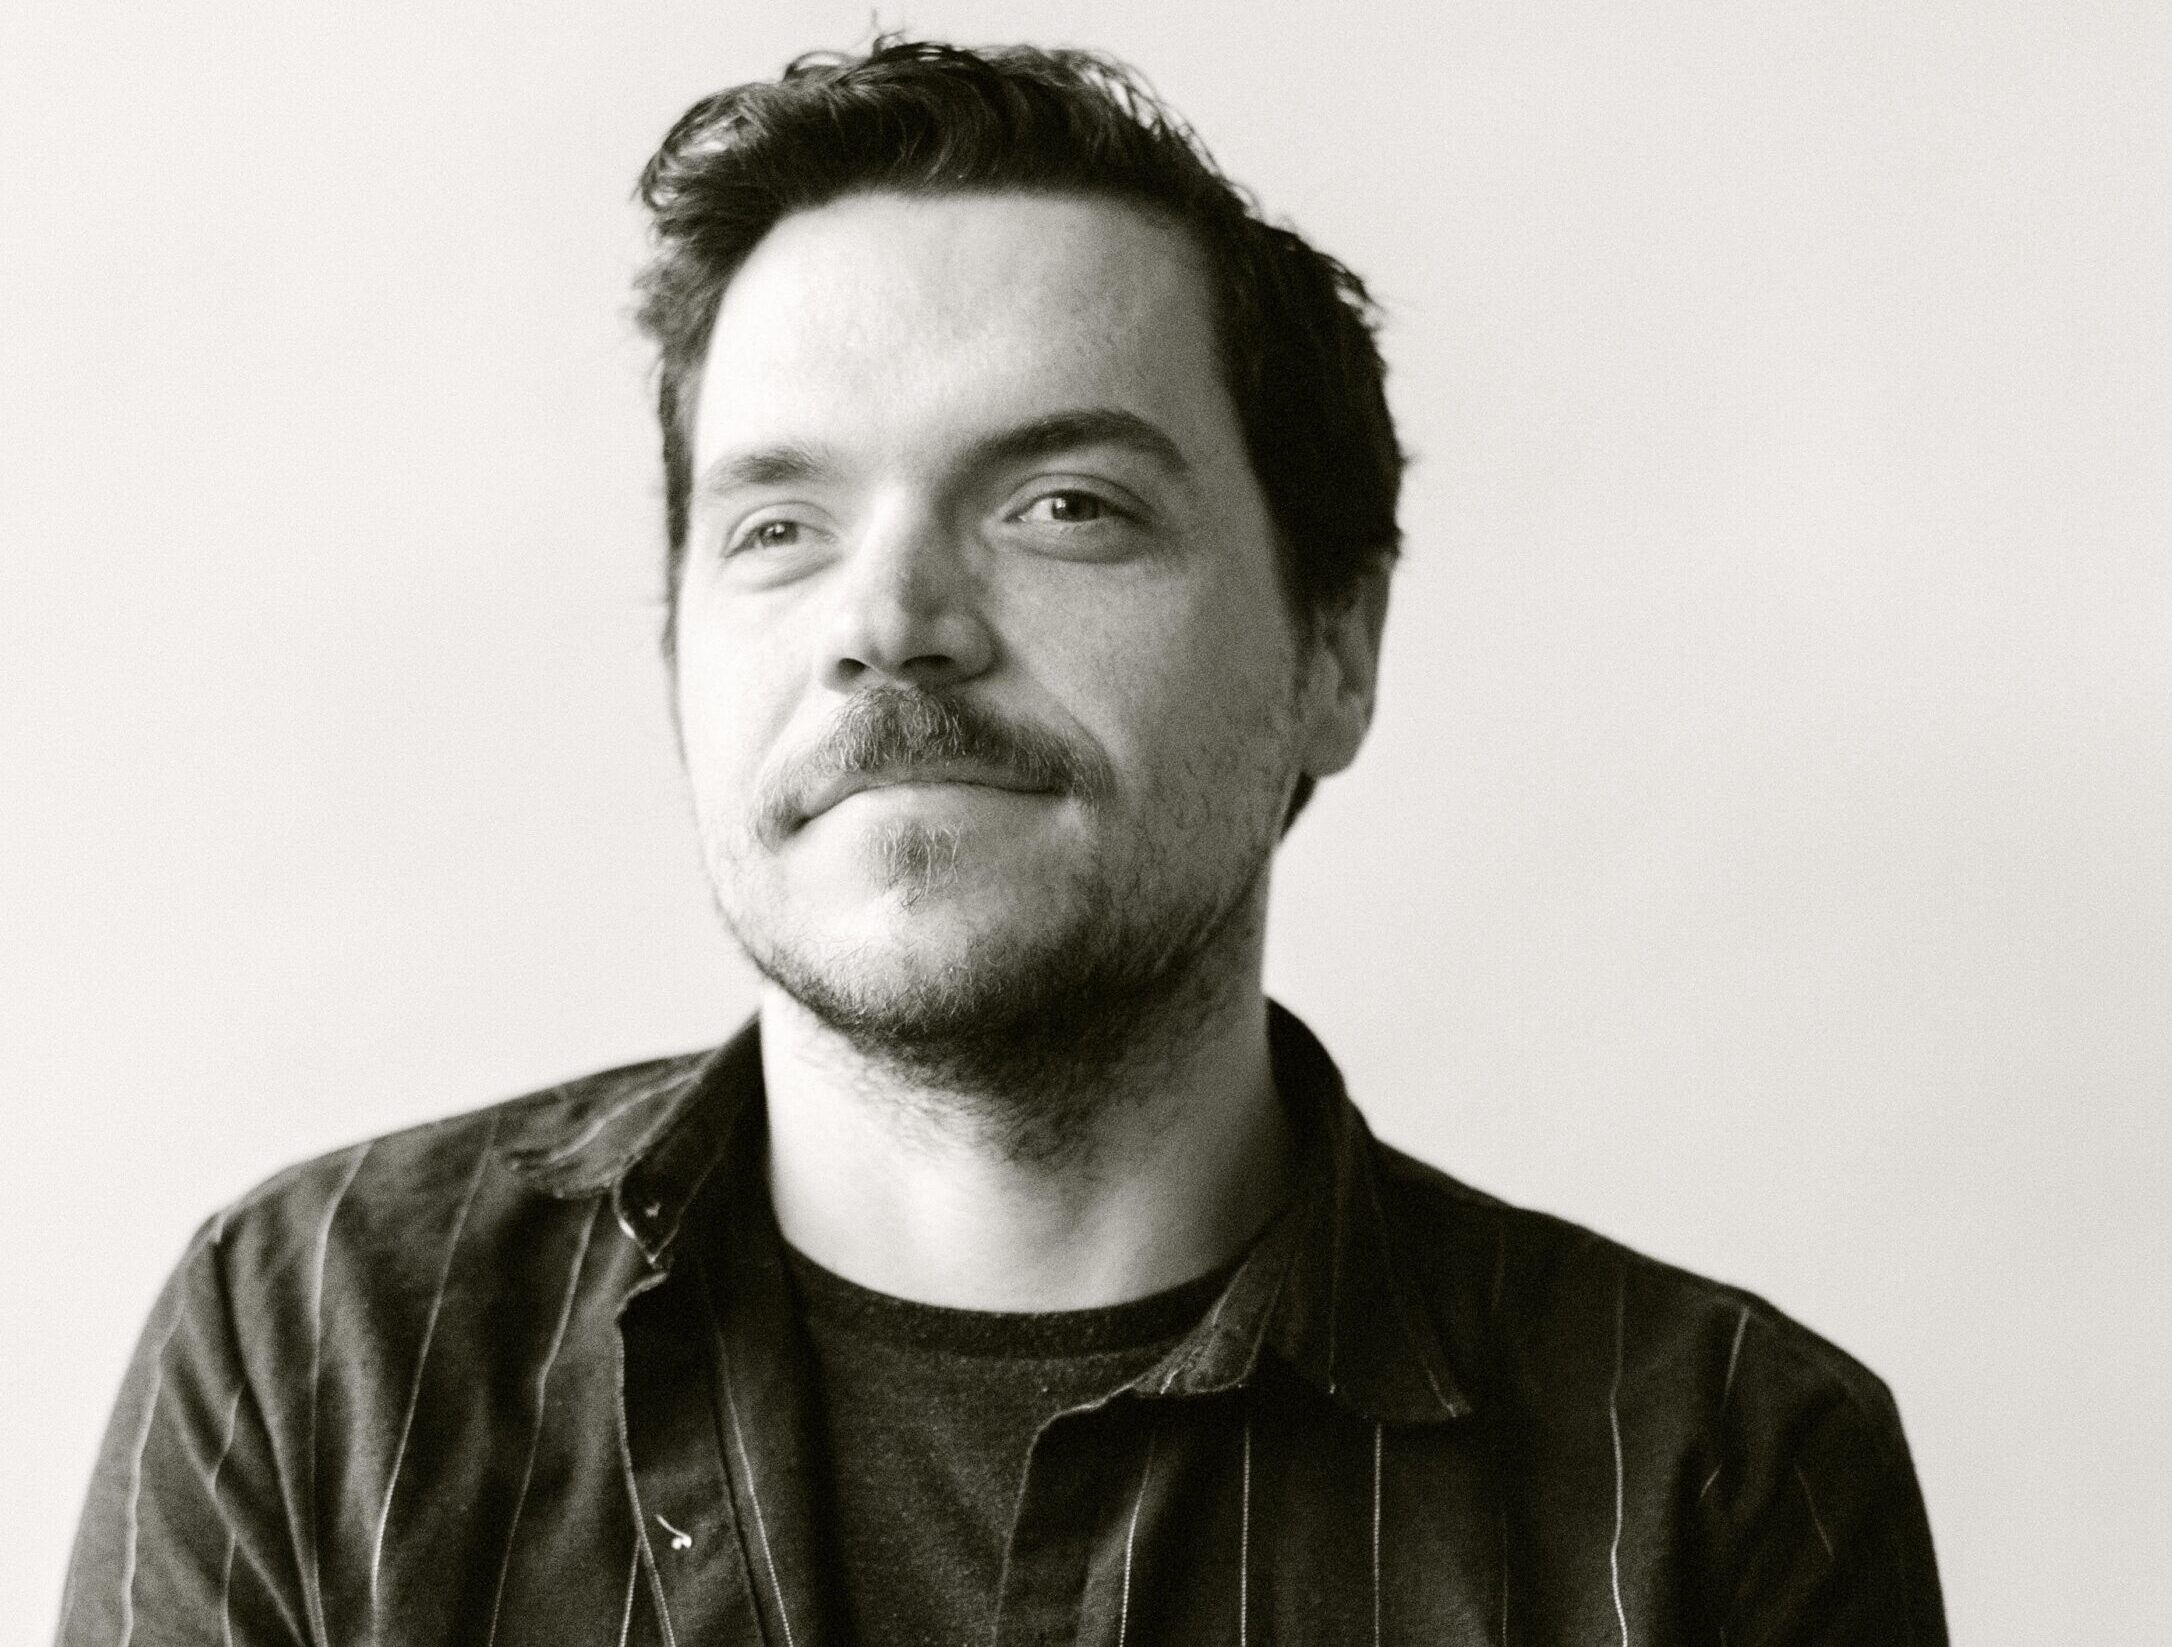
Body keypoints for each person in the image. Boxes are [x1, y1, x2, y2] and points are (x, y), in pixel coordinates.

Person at [58, 38, 1946, 1646]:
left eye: (1063, 505)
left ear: (1334, 652)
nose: (889, 622)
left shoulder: (1711, 1482)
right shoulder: (318, 1358)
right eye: (777, 527)